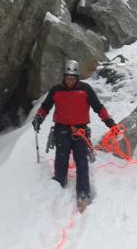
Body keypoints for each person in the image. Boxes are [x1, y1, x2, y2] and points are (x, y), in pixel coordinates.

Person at [32, 59, 115, 211]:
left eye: (72, 78)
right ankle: (59, 181)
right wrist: (39, 118)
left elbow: (98, 107)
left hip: (80, 131)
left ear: (77, 77)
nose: (69, 81)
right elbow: (46, 106)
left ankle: (83, 193)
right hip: (61, 129)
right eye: (67, 78)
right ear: (64, 76)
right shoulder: (56, 90)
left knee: (81, 161)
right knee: (61, 158)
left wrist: (109, 121)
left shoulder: (86, 89)